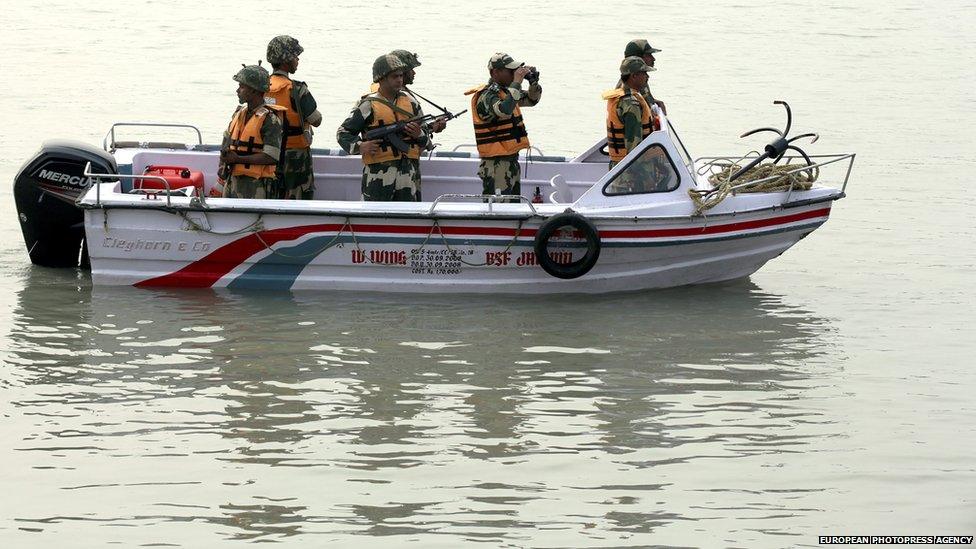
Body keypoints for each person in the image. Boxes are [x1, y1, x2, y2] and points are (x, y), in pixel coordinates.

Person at [336, 54, 432, 201]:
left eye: (401, 76)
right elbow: (343, 133)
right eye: (394, 76)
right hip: (378, 176)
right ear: (381, 78)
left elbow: (426, 139)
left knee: (408, 218)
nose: (400, 80)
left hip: (408, 175)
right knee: (373, 217)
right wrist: (360, 146)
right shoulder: (368, 105)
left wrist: (419, 134)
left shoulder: (411, 102)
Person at [464, 53, 542, 200]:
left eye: (515, 71)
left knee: (511, 207)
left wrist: (532, 81)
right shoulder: (486, 96)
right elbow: (504, 110)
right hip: (496, 165)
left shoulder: (506, 92)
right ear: (495, 72)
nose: (514, 74)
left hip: (509, 161)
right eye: (510, 71)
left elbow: (532, 100)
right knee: (498, 208)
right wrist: (517, 81)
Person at [265, 35, 322, 200]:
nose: (298, 60)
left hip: (269, 154)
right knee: (298, 197)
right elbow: (316, 120)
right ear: (286, 60)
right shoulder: (297, 89)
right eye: (295, 56)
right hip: (295, 156)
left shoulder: (260, 86)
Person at [219, 64, 285, 199]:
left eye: (242, 87)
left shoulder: (270, 120)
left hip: (256, 186)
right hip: (232, 182)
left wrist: (238, 159)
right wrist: (222, 165)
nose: (238, 90)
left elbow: (271, 157)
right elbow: (226, 142)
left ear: (254, 90)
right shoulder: (238, 114)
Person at [369, 50, 448, 135]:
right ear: (403, 71)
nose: (414, 73)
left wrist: (432, 127)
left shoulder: (391, 94)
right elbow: (409, 132)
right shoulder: (401, 98)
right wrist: (434, 127)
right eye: (411, 69)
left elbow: (413, 129)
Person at [605, 56, 655, 170]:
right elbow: (634, 149)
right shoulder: (631, 105)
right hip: (631, 173)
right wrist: (647, 180)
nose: (647, 77)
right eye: (644, 73)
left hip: (619, 168)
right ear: (634, 76)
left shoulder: (620, 96)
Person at [617, 39, 667, 115]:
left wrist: (653, 102)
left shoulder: (640, 79)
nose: (653, 59)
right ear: (636, 59)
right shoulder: (629, 85)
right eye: (649, 55)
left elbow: (643, 100)